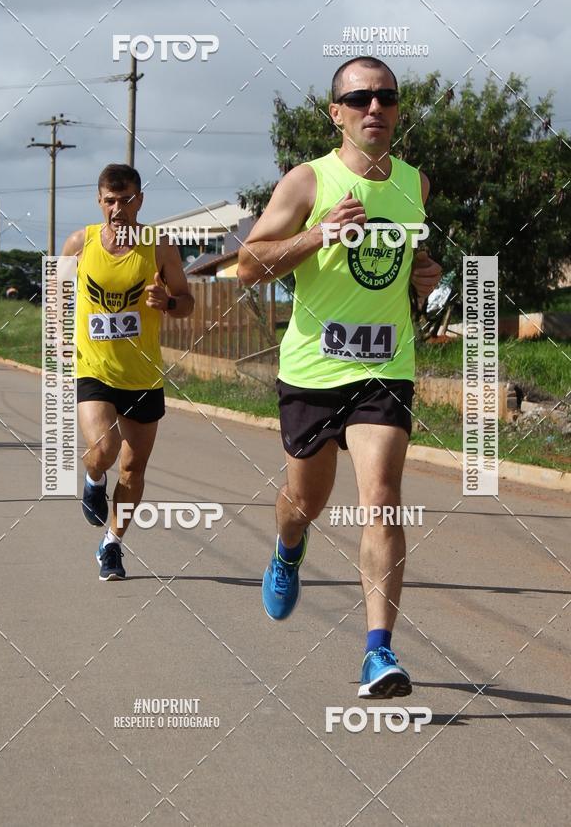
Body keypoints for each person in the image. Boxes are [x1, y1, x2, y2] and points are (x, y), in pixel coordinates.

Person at [237, 57, 441, 697]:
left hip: (385, 366)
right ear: (336, 113)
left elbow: (401, 249)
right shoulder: (307, 181)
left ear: (398, 109)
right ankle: (287, 547)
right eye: (358, 100)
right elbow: (248, 265)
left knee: (381, 492)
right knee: (305, 502)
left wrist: (422, 272)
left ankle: (379, 652)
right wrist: (317, 235)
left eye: (385, 97)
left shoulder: (415, 184)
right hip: (312, 370)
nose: (373, 108)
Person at [62, 163, 194, 580]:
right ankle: (93, 477)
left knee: (134, 470)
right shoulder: (79, 243)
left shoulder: (160, 247)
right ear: (99, 201)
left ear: (140, 200)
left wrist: (167, 303)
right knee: (105, 447)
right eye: (110, 201)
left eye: (126, 200)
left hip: (143, 376)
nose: (118, 209)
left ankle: (112, 545)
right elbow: (56, 294)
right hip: (94, 369)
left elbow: (187, 301)